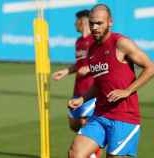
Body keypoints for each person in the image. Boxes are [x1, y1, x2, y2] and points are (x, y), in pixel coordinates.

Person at [68, 4, 154, 158]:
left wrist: (127, 90)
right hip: (100, 114)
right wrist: (83, 99)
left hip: (124, 117)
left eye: (99, 23)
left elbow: (151, 68)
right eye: (92, 23)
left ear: (110, 22)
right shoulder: (92, 50)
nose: (95, 27)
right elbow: (99, 82)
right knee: (75, 154)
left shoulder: (121, 43)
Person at [52, 9, 100, 158]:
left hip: (91, 90)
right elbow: (79, 64)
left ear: (83, 21)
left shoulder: (95, 41)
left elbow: (103, 63)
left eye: (76, 21)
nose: (74, 24)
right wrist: (67, 71)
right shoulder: (79, 42)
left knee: (86, 124)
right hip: (77, 89)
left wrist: (90, 68)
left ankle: (92, 154)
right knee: (74, 124)